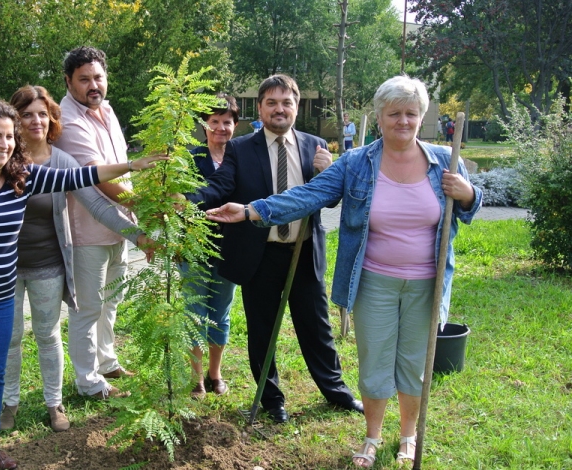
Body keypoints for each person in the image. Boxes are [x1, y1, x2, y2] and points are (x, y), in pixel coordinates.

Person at [205, 75, 482, 467]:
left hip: (426, 282)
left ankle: (407, 436)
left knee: (412, 361)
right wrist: (252, 210)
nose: (402, 121)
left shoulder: (443, 162)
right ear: (379, 117)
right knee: (373, 360)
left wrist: (467, 193)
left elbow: (470, 207)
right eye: (393, 114)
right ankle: (370, 435)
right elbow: (308, 195)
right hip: (371, 278)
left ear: (420, 116)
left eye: (410, 113)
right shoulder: (357, 163)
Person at [0, 100, 164, 470]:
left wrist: (132, 165)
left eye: (9, 136)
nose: (4, 143)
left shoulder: (23, 178)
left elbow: (80, 175)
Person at [185, 74, 364, 424]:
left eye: (286, 102)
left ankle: (335, 391)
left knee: (316, 326)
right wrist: (188, 199)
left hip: (303, 252)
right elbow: (221, 186)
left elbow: (328, 201)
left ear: (296, 107)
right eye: (271, 102)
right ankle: (272, 400)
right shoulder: (240, 148)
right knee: (262, 329)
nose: (279, 109)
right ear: (260, 108)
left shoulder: (315, 146)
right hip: (259, 254)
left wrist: (327, 176)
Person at [0, 86, 152, 433]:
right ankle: (9, 403)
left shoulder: (61, 161)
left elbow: (97, 204)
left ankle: (54, 403)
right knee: (9, 337)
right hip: (4, 268)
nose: (35, 121)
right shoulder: (1, 159)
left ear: (52, 118)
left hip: (47, 266)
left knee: (48, 334)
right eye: (26, 114)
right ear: (14, 120)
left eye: (42, 113)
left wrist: (137, 236)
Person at [54, 46, 136, 398]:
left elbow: (121, 163)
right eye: (84, 79)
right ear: (69, 81)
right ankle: (88, 382)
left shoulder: (106, 110)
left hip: (120, 224)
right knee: (88, 307)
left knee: (112, 300)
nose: (93, 85)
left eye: (98, 77)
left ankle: (107, 361)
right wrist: (145, 206)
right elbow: (95, 177)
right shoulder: (67, 120)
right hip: (87, 230)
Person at [182, 93, 239, 399]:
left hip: (229, 249)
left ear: (235, 124)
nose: (220, 128)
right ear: (204, 126)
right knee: (194, 312)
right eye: (214, 122)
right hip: (194, 249)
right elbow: (177, 204)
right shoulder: (190, 160)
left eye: (226, 122)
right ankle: (196, 379)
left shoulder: (241, 158)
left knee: (220, 313)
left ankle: (215, 374)